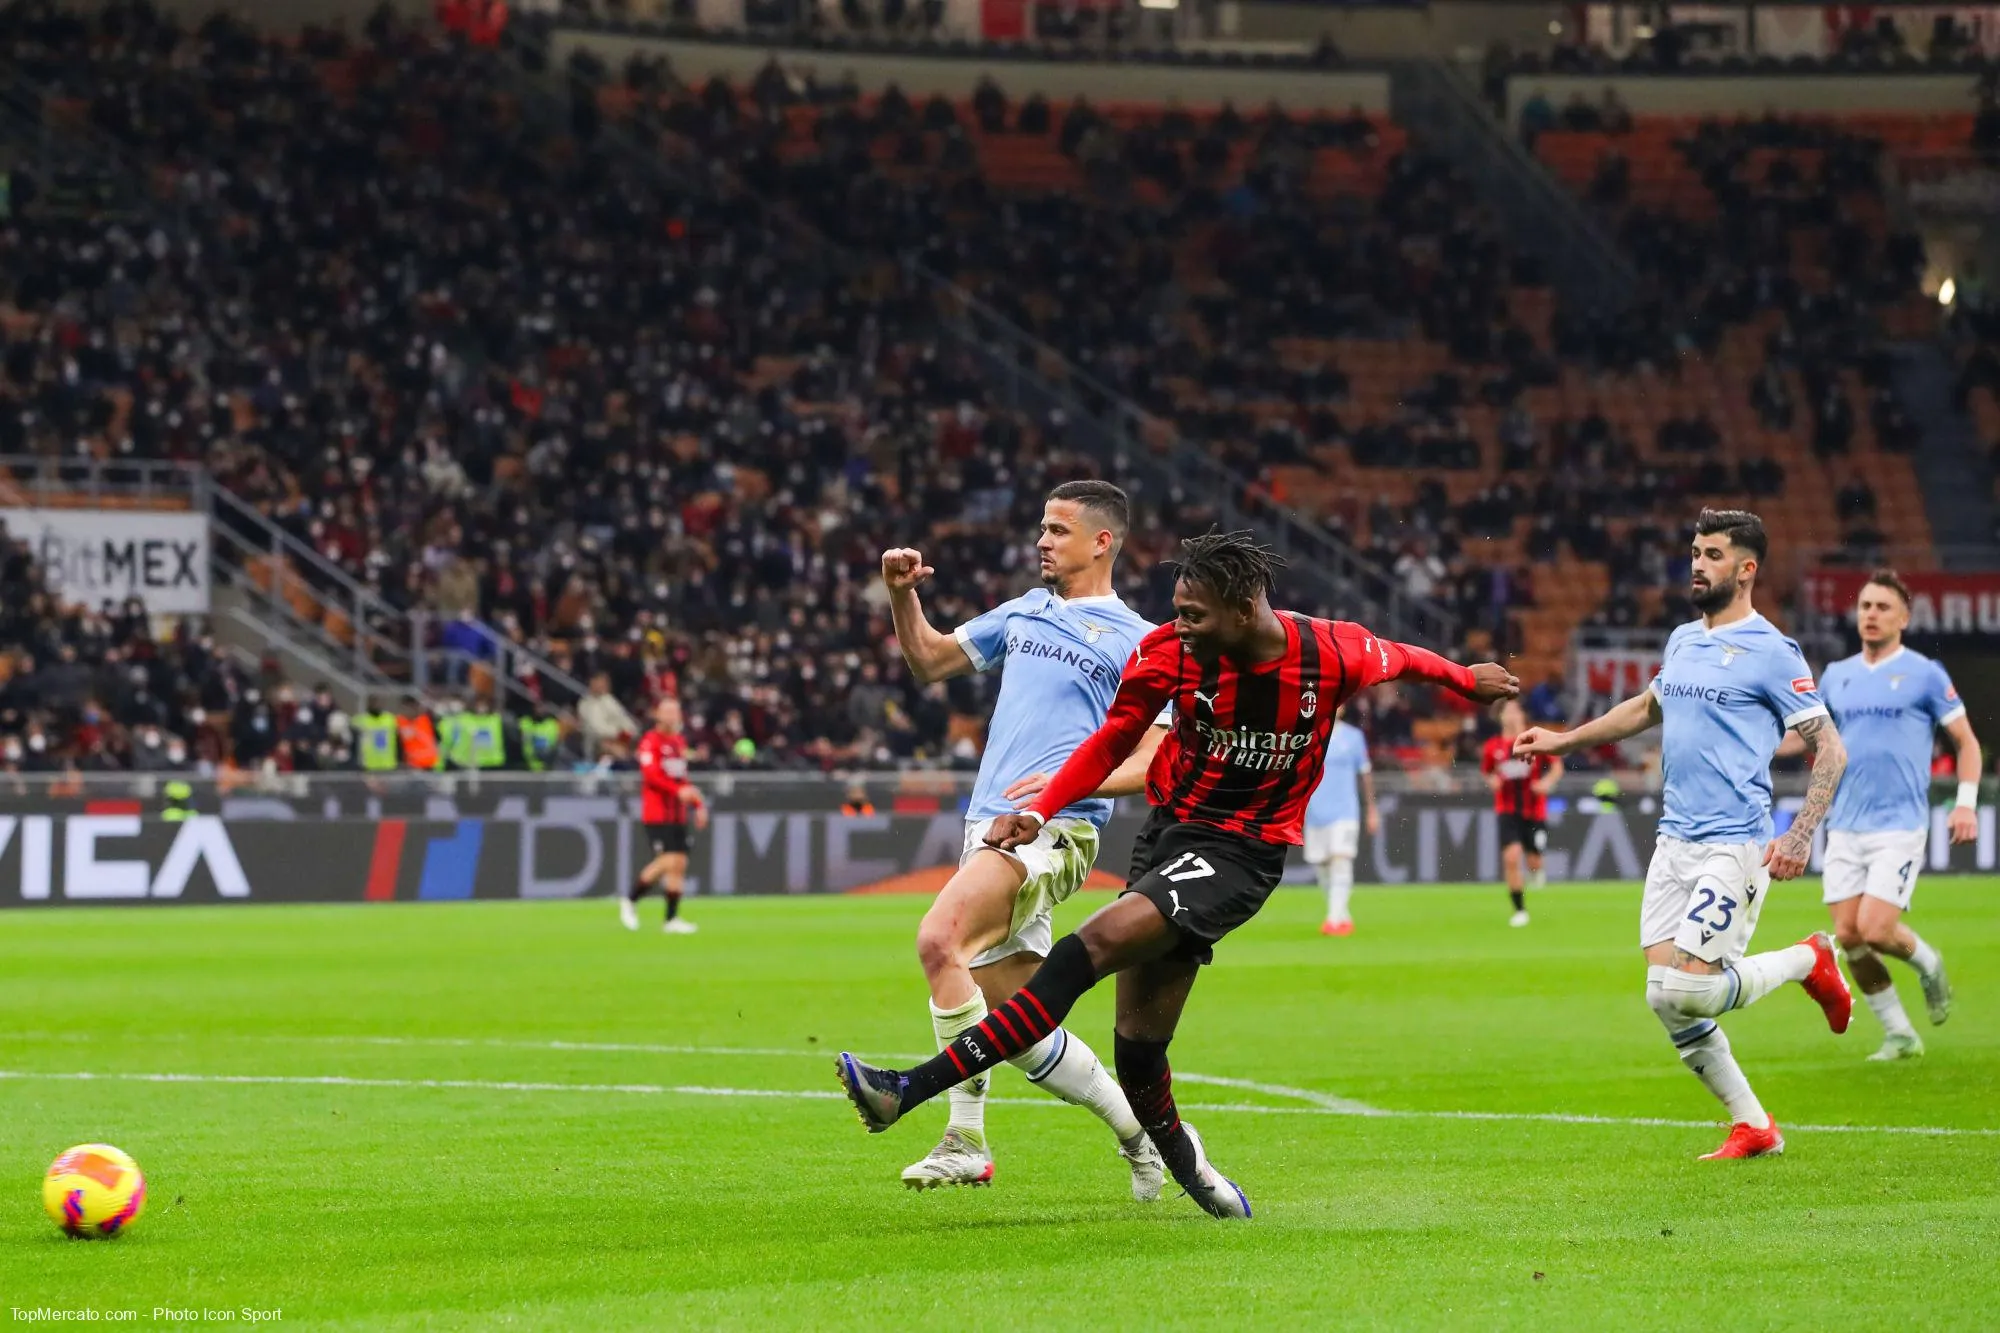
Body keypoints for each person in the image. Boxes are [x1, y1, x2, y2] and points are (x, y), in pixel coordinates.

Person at [837, 530, 1518, 1218]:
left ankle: (906, 1088)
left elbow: (1405, 658)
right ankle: (1198, 1177)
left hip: (1243, 852)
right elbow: (1110, 739)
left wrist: (1467, 678)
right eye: (1177, 610)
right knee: (1137, 1054)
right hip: (1170, 837)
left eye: (1194, 615)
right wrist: (1042, 810)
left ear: (1245, 609)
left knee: (1082, 951)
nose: (1179, 626)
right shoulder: (1168, 653)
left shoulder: (1329, 650)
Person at [1513, 510, 1853, 1161]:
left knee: (1689, 988)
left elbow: (1829, 750)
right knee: (1664, 996)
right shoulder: (1681, 640)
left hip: (1737, 841)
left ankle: (1810, 958)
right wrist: (1565, 739)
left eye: (1714, 554)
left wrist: (1801, 833)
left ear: (1746, 569)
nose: (1698, 563)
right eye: (1695, 551)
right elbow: (1644, 709)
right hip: (1675, 840)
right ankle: (1754, 1124)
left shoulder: (1774, 651)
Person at [878, 479, 1170, 1195]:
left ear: (1102, 542)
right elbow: (931, 660)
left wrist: (1067, 788)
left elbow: (1157, 757)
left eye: (1059, 529)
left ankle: (963, 1138)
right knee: (1016, 1023)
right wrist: (899, 593)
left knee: (937, 938)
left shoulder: (1142, 639)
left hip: (1057, 828)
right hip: (989, 824)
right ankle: (1145, 1134)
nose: (1042, 539)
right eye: (1042, 527)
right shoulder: (1024, 611)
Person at [1809, 570, 1980, 1060]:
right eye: (1865, 606)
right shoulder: (1837, 675)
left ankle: (1928, 964)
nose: (1871, 615)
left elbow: (1966, 742)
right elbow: (1813, 740)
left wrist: (1964, 802)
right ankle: (1900, 1034)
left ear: (1903, 618)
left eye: (1883, 607)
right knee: (1849, 937)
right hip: (1845, 823)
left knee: (1877, 930)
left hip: (1899, 824)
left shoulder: (1925, 673)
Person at [621, 697, 708, 934]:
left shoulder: (678, 742)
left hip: (678, 814)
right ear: (657, 715)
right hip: (657, 812)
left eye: (675, 712)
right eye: (667, 712)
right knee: (668, 860)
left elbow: (683, 780)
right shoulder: (650, 742)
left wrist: (698, 804)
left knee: (679, 864)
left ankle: (671, 919)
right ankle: (630, 900)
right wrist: (677, 791)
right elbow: (651, 775)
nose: (671, 716)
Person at [1481, 699, 1562, 927]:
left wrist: (1546, 783)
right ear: (1501, 717)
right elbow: (1487, 772)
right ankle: (1519, 910)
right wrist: (1492, 781)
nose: (1512, 715)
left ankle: (1537, 869)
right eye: (1507, 711)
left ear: (1522, 715)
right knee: (1511, 857)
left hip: (1534, 810)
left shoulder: (1533, 741)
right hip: (1507, 810)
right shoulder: (1492, 747)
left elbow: (1556, 766)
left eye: (1515, 710)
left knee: (1534, 859)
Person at [1305, 705, 1376, 936]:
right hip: (1314, 810)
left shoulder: (1353, 737)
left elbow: (1365, 775)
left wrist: (1372, 809)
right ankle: (1341, 915)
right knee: (1322, 864)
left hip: (1345, 811)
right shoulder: (1310, 735)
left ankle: (1334, 920)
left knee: (1340, 860)